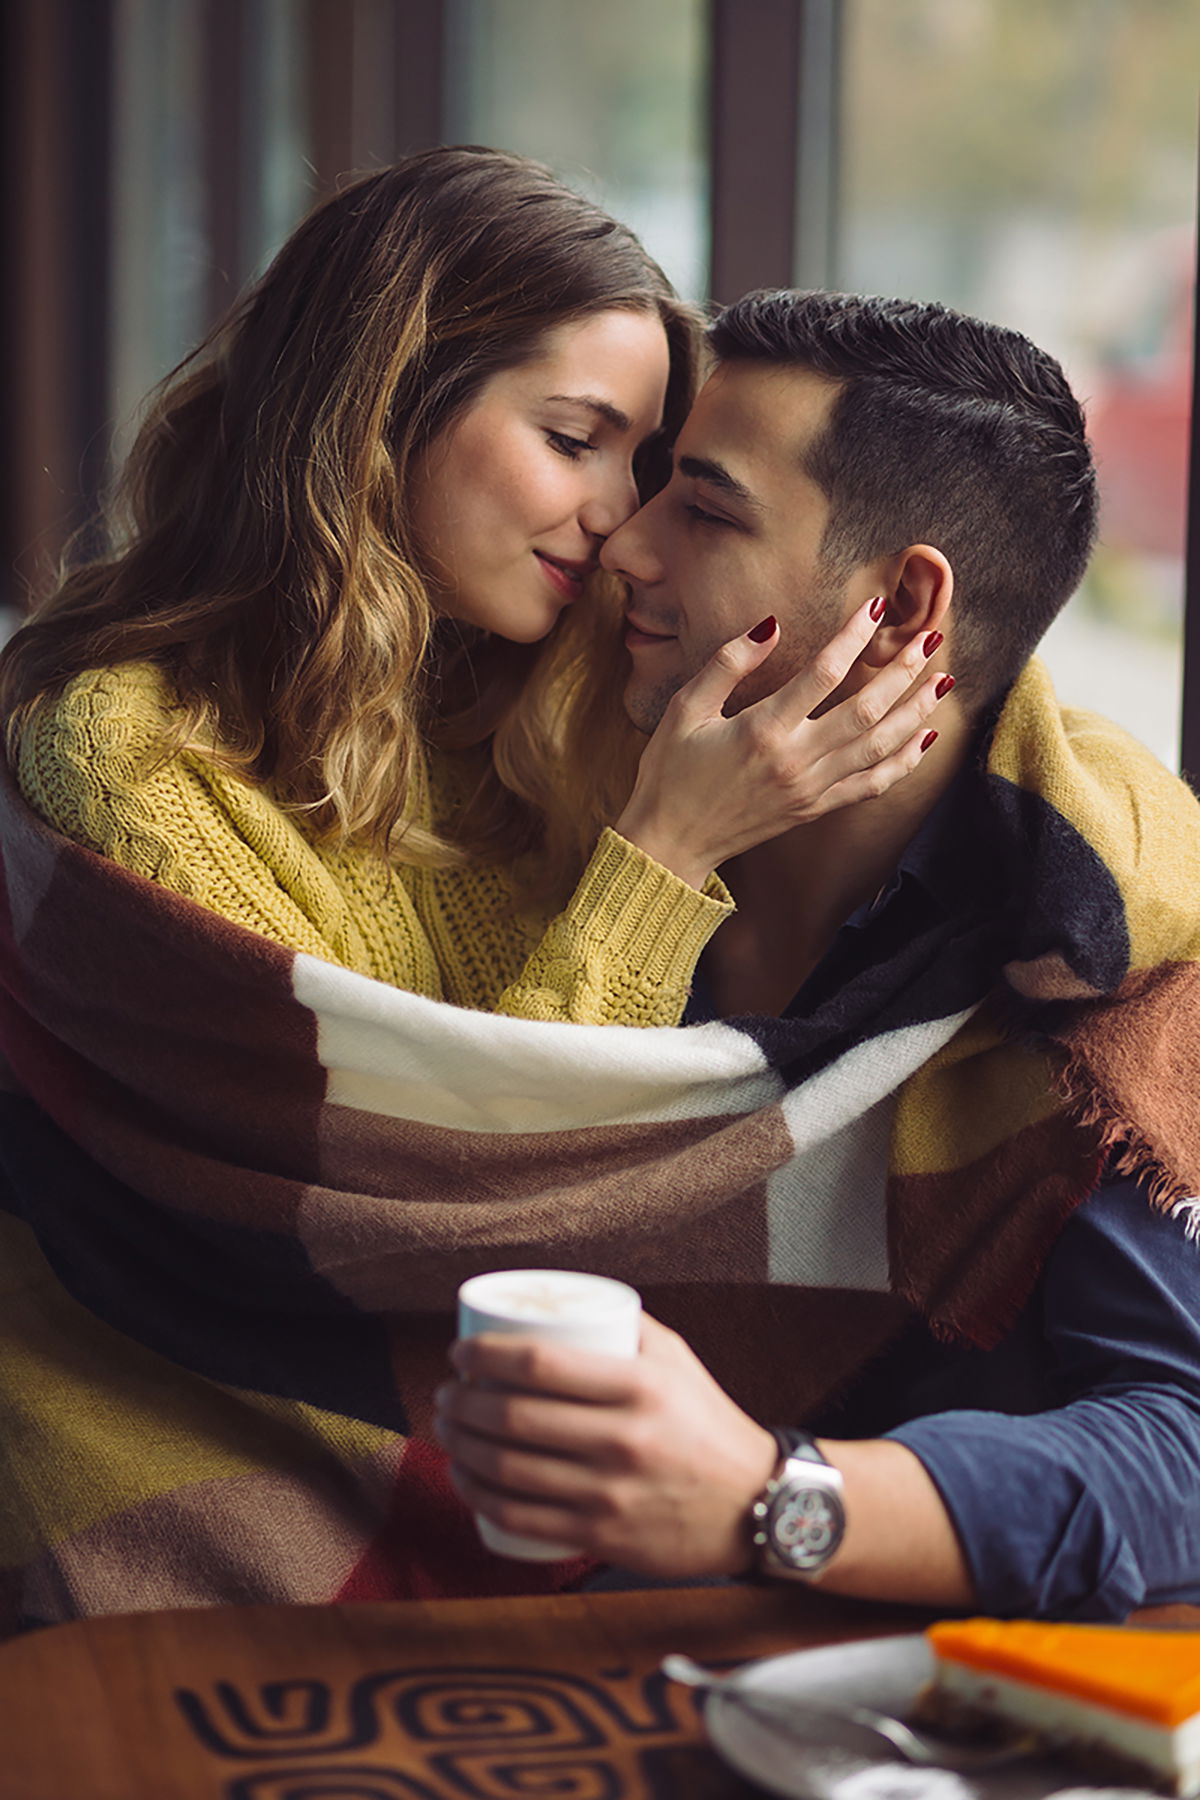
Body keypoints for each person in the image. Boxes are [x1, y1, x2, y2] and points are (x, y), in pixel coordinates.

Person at [435, 289, 1200, 1623]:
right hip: (467, 1639)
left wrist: (767, 1494)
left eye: (706, 510)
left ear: (905, 609)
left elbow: (1184, 1448)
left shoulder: (1101, 956)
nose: (626, 543)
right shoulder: (555, 817)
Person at [0, 147, 943, 1027]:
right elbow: (425, 1186)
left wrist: (1079, 795)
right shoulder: (130, 757)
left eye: (643, 461)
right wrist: (666, 853)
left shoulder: (540, 707)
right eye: (573, 441)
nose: (622, 516)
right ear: (383, 404)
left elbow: (995, 714)